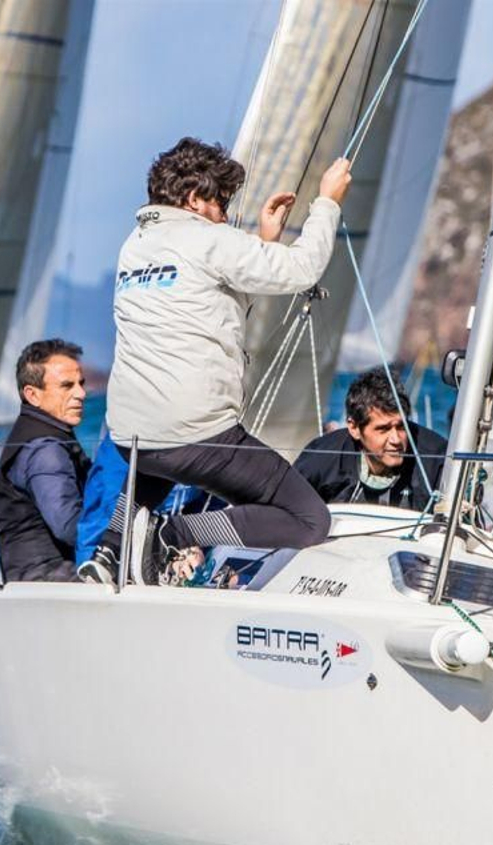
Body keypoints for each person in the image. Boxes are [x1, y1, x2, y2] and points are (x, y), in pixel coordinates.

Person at [79, 137, 351, 586]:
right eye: (221, 202)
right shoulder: (210, 240)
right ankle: (173, 533)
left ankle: (109, 552)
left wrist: (264, 242)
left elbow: (214, 302)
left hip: (132, 434)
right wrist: (326, 203)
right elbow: (303, 270)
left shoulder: (135, 246)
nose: (225, 214)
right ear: (192, 200)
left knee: (157, 456)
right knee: (307, 519)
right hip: (195, 434)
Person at [0, 339, 91, 583]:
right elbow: (68, 526)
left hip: (27, 579)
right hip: (48, 580)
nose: (81, 393)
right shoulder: (45, 450)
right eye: (66, 386)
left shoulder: (31, 435)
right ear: (32, 395)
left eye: (81, 384)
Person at [294, 367, 446, 509]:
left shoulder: (437, 458)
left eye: (401, 426)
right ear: (354, 428)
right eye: (383, 429)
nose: (396, 440)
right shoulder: (321, 458)